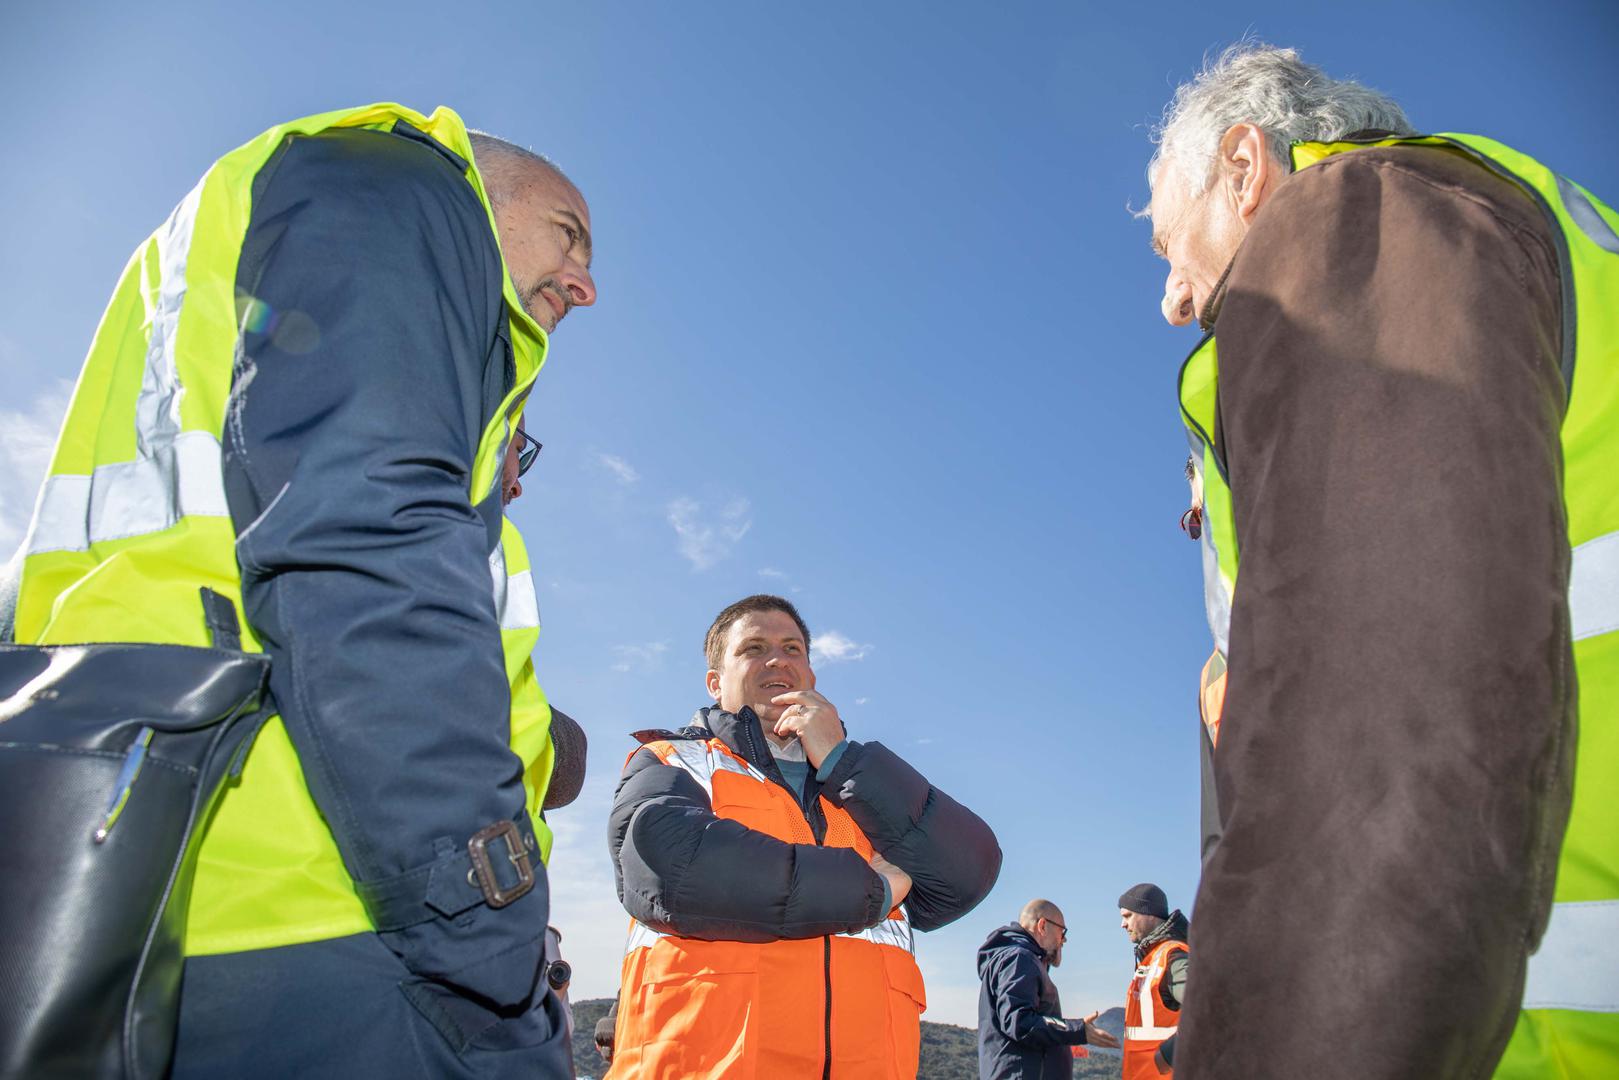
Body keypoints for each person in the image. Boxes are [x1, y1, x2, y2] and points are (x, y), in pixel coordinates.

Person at [10, 103, 597, 1077]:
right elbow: (367, 558)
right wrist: (486, 931)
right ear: (472, 191)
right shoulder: (396, 188)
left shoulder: (261, 249)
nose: (583, 284)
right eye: (565, 232)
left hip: (223, 901)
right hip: (337, 915)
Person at [1140, 42, 1618, 1077]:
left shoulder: (1357, 221)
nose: (1173, 299)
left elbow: (1373, 748)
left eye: (1172, 248)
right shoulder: (1513, 232)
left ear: (1243, 166)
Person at [606, 593, 1002, 1077]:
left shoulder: (862, 788)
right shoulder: (673, 761)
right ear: (715, 683)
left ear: (811, 677)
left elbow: (969, 870)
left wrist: (839, 758)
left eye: (793, 649)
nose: (778, 659)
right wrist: (869, 890)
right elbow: (670, 865)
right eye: (753, 648)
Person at [977, 898, 1119, 1079]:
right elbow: (1020, 1022)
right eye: (1062, 931)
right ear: (1043, 926)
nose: (1064, 939)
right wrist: (1077, 1030)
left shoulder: (1020, 959)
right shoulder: (1020, 959)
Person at [1117, 885, 1188, 1079]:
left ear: (1149, 914)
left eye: (1128, 916)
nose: (1123, 924)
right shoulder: (1153, 958)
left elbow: (1208, 1008)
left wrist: (1168, 1053)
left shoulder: (1173, 957)